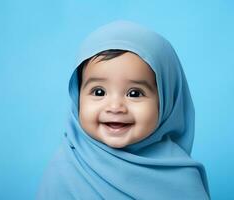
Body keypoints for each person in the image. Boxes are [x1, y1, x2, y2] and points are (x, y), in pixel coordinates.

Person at [37, 20, 210, 200]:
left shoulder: (180, 176)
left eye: (134, 93)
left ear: (166, 100)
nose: (115, 107)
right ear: (78, 96)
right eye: (99, 92)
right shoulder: (66, 168)